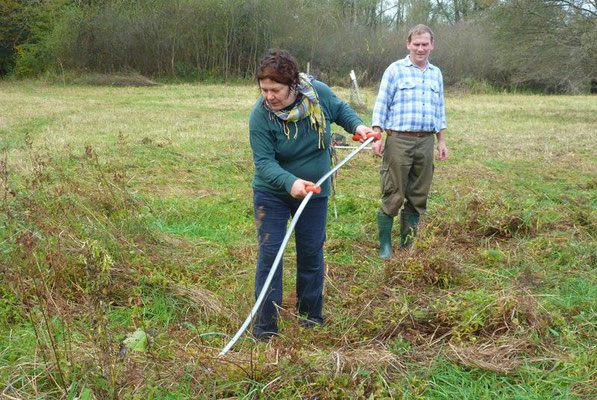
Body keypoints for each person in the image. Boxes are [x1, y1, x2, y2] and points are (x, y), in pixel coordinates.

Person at [249, 49, 375, 340]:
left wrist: (358, 127)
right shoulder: (260, 115)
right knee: (271, 255)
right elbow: (265, 163)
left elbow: (340, 110)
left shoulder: (317, 93)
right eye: (264, 89)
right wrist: (291, 183)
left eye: (275, 90)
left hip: (315, 192)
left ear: (292, 85)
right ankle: (265, 328)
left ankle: (310, 317)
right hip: (273, 193)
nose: (269, 96)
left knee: (310, 252)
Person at [371, 24, 448, 259]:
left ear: (432, 45)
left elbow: (439, 110)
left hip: (425, 142)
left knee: (418, 196)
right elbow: (381, 104)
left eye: (425, 44)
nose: (421, 48)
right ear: (408, 45)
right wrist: (377, 134)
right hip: (398, 141)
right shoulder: (395, 70)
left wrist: (441, 141)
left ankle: (407, 246)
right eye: (416, 44)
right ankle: (385, 246)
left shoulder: (436, 73)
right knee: (394, 193)